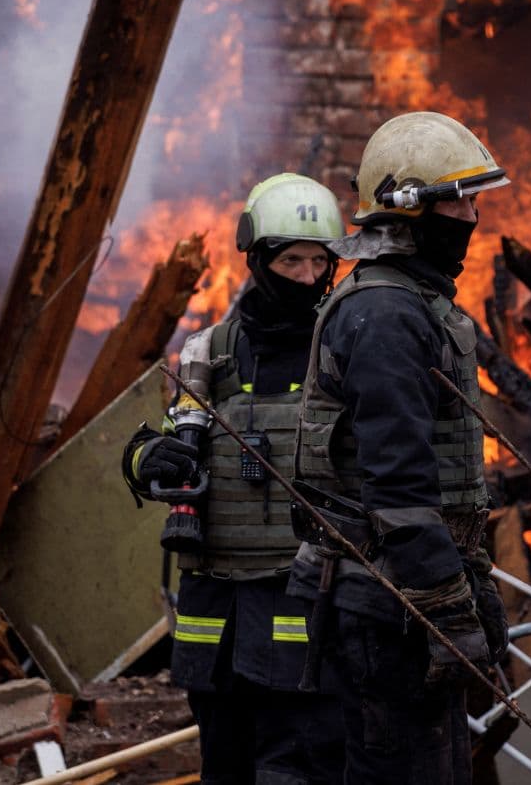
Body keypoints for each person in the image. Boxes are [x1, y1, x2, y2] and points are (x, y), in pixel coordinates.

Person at [287, 112, 512, 785]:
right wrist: (449, 609)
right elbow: (400, 487)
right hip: (383, 607)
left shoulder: (409, 303)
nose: (471, 216)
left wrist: (471, 584)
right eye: (459, 200)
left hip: (399, 595)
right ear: (409, 210)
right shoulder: (387, 315)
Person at [123, 173, 348, 785]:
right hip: (215, 615)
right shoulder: (211, 352)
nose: (306, 277)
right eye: (290, 260)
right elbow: (167, 436)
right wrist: (151, 461)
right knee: (225, 766)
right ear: (257, 259)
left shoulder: (344, 349)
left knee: (299, 766)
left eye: (318, 261)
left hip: (304, 605)